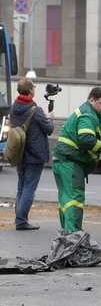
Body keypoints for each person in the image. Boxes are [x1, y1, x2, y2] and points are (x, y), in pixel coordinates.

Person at [52, 87, 101, 233]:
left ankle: (67, 233)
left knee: (66, 200)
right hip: (71, 162)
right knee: (74, 200)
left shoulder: (94, 117)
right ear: (91, 100)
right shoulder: (88, 116)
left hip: (62, 161)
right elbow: (86, 139)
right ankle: (73, 235)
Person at [10, 78, 54, 231]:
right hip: (35, 155)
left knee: (21, 186)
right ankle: (21, 221)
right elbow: (49, 129)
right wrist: (51, 119)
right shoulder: (36, 110)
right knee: (29, 187)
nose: (34, 90)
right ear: (29, 91)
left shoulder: (14, 107)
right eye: (33, 88)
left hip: (19, 153)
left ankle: (19, 218)